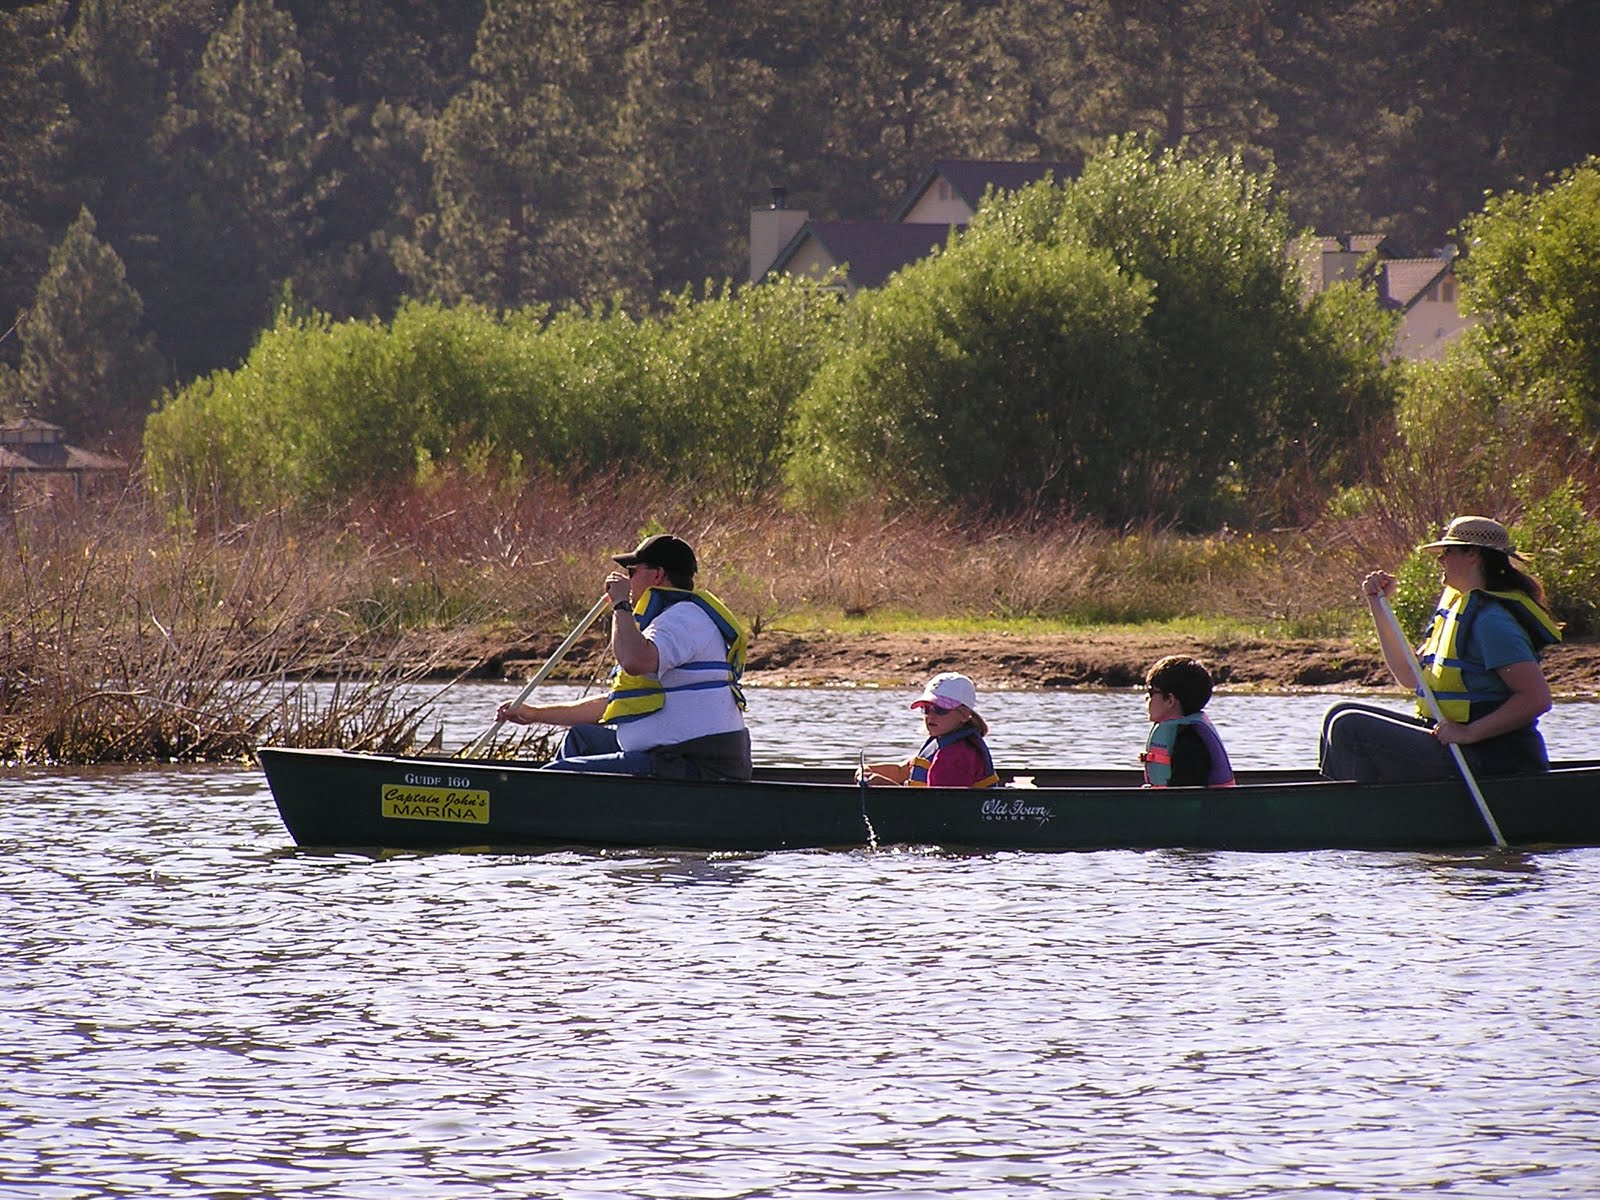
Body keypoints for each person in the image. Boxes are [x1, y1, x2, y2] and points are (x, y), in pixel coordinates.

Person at [1319, 515, 1562, 783]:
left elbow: (1536, 698)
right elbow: (1409, 676)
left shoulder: (1492, 621)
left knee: (1349, 728)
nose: (1440, 560)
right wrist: (1378, 604)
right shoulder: (1458, 609)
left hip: (1493, 758)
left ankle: (1350, 808)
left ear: (1473, 554)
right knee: (1338, 713)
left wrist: (1469, 733)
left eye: (1447, 552)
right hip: (1459, 747)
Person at [495, 534, 753, 780]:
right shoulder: (667, 620)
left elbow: (634, 661)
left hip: (693, 764)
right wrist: (534, 713)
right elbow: (616, 703)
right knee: (582, 739)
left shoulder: (685, 618)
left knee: (558, 775)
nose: (627, 581)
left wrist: (621, 605)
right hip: (666, 755)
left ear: (657, 575)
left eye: (632, 572)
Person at [858, 672, 999, 788]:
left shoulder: (954, 755)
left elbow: (933, 804)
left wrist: (885, 786)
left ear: (963, 714)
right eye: (926, 709)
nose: (930, 716)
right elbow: (901, 770)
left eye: (940, 710)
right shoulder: (940, 742)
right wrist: (867, 771)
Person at [1140, 655, 1236, 787]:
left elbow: (1186, 796)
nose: (1147, 698)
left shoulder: (1189, 742)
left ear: (1170, 700)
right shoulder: (1182, 733)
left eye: (1151, 692)